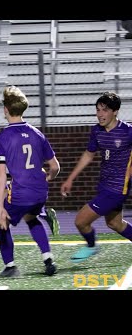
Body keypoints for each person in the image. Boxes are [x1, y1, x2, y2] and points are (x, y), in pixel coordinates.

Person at [0, 85, 60, 277]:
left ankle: (10, 266)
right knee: (31, 217)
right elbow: (55, 167)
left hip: (21, 193)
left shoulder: (2, 138)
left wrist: (0, 206)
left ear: (5, 109)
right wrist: (48, 178)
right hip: (40, 190)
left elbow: (1, 175)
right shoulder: (37, 134)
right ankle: (48, 259)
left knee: (3, 222)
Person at [60, 91, 132, 263]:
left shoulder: (128, 132)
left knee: (80, 221)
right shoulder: (97, 131)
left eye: (104, 110)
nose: (100, 114)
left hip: (117, 188)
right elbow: (88, 155)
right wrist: (70, 178)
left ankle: (91, 246)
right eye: (98, 110)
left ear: (115, 111)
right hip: (105, 185)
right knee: (115, 223)